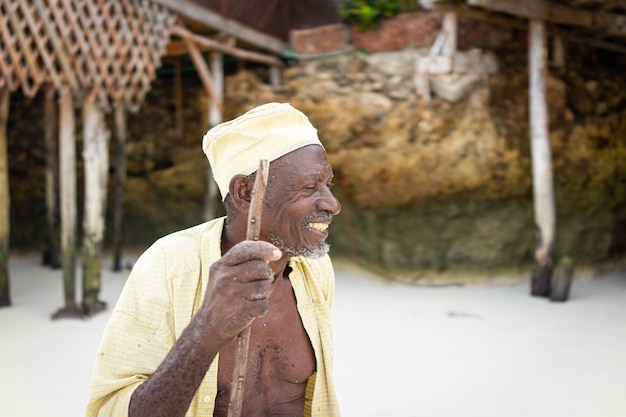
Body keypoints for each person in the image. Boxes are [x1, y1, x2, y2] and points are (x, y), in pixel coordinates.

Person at [86, 102, 342, 417]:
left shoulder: (313, 269)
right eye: (309, 187)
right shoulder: (170, 266)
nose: (333, 203)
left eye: (327, 185)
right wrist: (207, 329)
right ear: (246, 192)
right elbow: (110, 409)